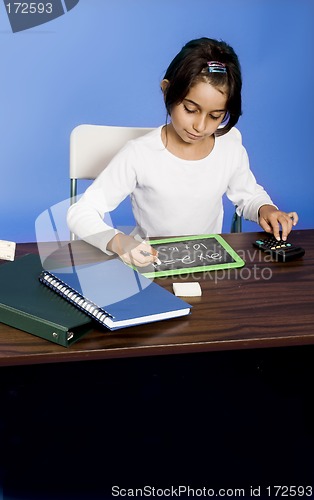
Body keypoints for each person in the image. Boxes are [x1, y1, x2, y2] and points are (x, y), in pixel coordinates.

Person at [67, 37, 298, 267]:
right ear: (167, 91)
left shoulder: (230, 147)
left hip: (209, 265)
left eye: (215, 116)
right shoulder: (139, 154)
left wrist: (264, 208)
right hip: (152, 264)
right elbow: (80, 213)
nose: (200, 126)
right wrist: (117, 242)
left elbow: (248, 195)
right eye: (190, 109)